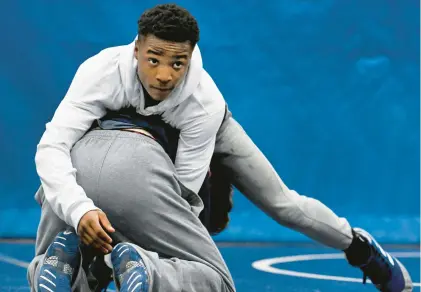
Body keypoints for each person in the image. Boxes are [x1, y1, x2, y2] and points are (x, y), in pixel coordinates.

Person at [30, 3, 412, 292]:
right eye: (153, 60)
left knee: (283, 204)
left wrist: (147, 250)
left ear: (192, 57)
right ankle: (83, 262)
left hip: (199, 141)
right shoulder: (100, 72)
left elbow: (180, 198)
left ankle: (361, 248)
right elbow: (52, 147)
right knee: (62, 182)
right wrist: (80, 210)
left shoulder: (203, 103)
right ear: (135, 52)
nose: (164, 75)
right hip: (135, 144)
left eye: (178, 63)